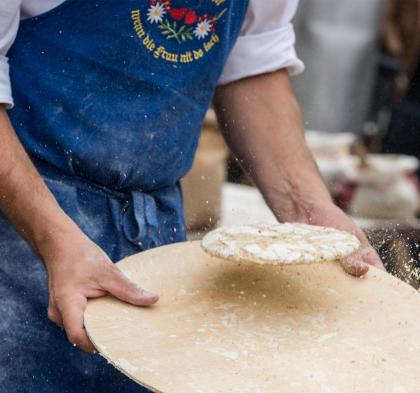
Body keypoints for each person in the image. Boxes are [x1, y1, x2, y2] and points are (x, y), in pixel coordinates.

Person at [0, 0, 384, 391]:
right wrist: (54, 239)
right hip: (21, 218)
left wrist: (310, 211)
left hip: (152, 229)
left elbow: (251, 64)